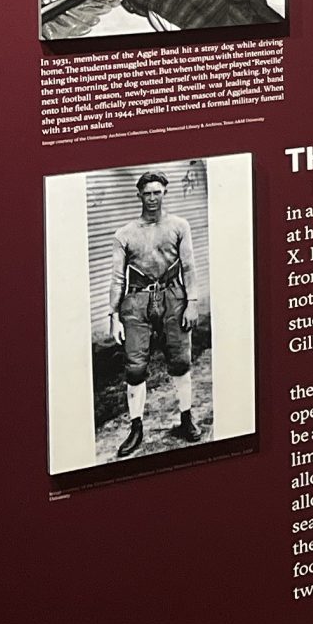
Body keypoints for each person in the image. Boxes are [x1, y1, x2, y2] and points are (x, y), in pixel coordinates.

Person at [109, 171, 200, 458]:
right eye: (147, 193)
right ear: (139, 195)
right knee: (135, 367)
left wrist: (193, 301)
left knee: (181, 361)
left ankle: (186, 418)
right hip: (136, 301)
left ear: (164, 193)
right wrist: (113, 315)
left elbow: (188, 267)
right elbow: (116, 278)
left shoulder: (179, 226)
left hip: (174, 296)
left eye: (157, 192)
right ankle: (136, 428)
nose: (152, 198)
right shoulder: (124, 233)